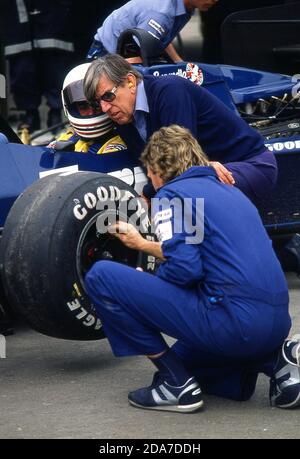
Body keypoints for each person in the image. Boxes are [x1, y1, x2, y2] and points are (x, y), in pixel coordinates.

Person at [85, 124, 300, 412]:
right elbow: (205, 254)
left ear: (159, 168)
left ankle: (176, 385)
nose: (150, 181)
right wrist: (144, 246)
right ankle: (276, 362)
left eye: (149, 174)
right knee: (188, 362)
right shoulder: (230, 191)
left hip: (235, 323)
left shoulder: (171, 196)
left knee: (102, 276)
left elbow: (185, 269)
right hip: (274, 324)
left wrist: (147, 284)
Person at [83, 54, 277, 204]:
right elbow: (157, 170)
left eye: (108, 96)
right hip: (203, 172)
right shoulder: (122, 116)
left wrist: (149, 194)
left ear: (131, 82)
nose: (105, 108)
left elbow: (177, 164)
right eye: (98, 103)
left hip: (250, 164)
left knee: (191, 186)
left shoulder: (170, 92)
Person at [0, 1, 75, 133]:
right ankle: (30, 114)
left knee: (54, 68)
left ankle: (56, 113)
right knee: (22, 69)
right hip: (17, 18)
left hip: (52, 17)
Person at [87, 0, 219, 64]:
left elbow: (158, 38)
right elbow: (141, 57)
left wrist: (179, 63)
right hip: (105, 56)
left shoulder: (186, 7)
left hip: (131, 52)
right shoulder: (162, 14)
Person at [47, 62, 126, 154]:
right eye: (83, 106)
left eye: (96, 105)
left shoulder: (120, 144)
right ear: (70, 107)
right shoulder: (67, 138)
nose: (91, 112)